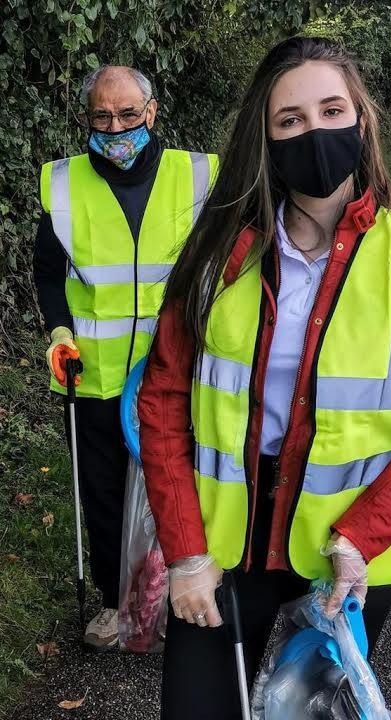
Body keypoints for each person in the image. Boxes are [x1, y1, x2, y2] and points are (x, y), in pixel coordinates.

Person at [138, 37, 391, 719]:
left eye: (331, 110)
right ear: (263, 139)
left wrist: (361, 536)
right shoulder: (213, 255)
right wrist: (182, 554)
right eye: (290, 120)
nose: (315, 132)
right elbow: (164, 401)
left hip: (346, 554)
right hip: (222, 550)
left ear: (361, 120)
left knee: (308, 713)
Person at [33, 65, 217, 650]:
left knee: (188, 485)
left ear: (152, 112)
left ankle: (189, 591)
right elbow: (48, 274)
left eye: (128, 115)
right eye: (101, 117)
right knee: (106, 493)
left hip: (178, 372)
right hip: (95, 376)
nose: (116, 129)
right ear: (87, 118)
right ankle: (118, 607)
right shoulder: (61, 184)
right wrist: (59, 332)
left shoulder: (198, 175)